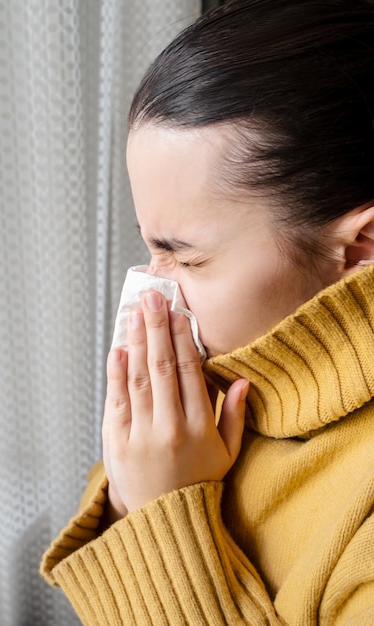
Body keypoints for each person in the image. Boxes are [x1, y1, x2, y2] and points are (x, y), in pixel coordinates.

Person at [40, 1, 374, 623]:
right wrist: (135, 492)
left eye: (185, 259)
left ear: (360, 248)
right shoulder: (229, 369)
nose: (148, 287)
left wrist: (160, 511)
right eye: (149, 246)